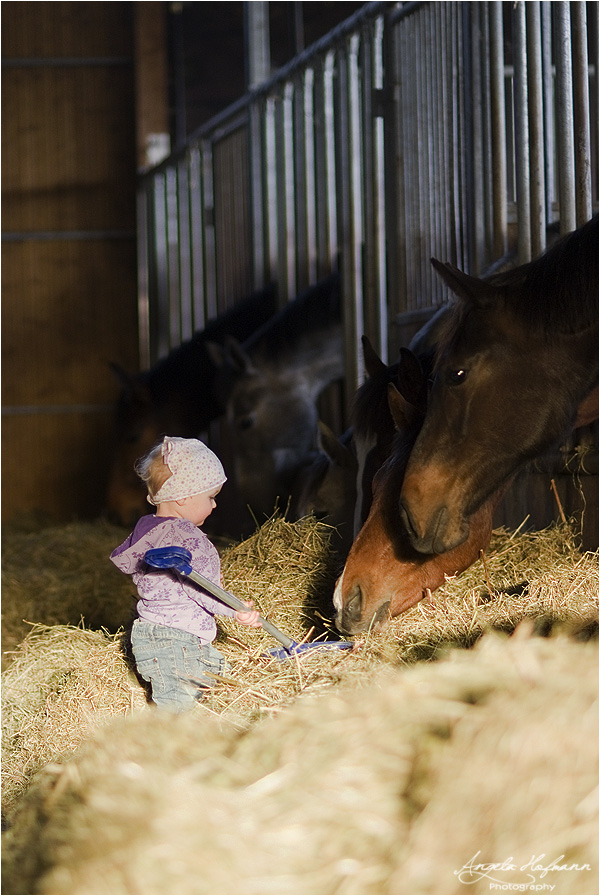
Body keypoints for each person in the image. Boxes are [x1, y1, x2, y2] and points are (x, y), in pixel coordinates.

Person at [110, 435, 261, 712]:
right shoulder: (189, 538)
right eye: (210, 497)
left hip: (148, 634)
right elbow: (202, 588)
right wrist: (236, 610)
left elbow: (131, 565)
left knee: (212, 676)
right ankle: (167, 750)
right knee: (178, 710)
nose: (214, 505)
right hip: (179, 641)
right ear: (183, 497)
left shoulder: (146, 529)